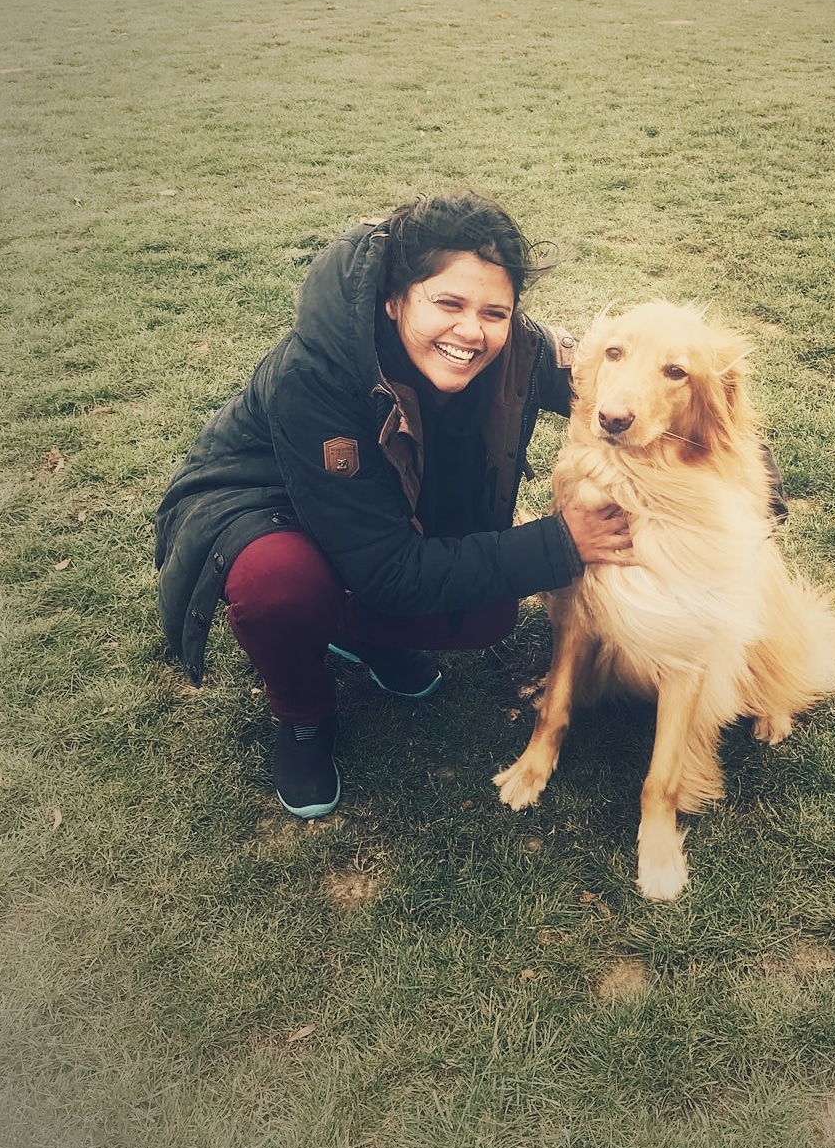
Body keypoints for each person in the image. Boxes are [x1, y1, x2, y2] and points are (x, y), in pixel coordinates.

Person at [155, 193, 633, 819]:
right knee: (281, 586)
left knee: (486, 614)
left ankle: (355, 630)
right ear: (394, 297)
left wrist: (749, 457)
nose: (472, 332)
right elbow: (386, 569)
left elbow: (625, 373)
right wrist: (561, 544)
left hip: (373, 518)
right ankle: (304, 713)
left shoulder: (517, 347)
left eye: (496, 311)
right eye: (448, 303)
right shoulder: (315, 376)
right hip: (264, 509)